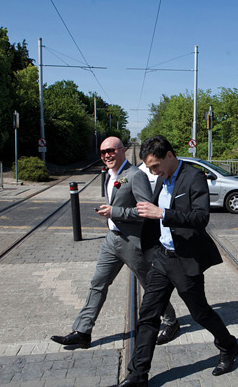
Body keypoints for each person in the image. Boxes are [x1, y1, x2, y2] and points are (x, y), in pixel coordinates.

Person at [117, 135, 238, 387]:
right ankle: (138, 375)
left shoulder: (193, 177)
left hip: (185, 259)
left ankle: (228, 346)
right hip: (163, 257)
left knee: (200, 313)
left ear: (170, 157)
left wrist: (162, 213)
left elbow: (200, 217)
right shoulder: (162, 179)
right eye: (149, 167)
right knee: (148, 315)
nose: (153, 172)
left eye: (155, 166)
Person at [50, 136, 179, 349]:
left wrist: (115, 212)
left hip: (133, 242)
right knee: (98, 284)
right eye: (102, 152)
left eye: (110, 150)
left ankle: (171, 322)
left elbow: (145, 210)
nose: (106, 155)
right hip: (112, 240)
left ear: (121, 150)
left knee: (149, 285)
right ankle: (83, 331)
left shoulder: (135, 175)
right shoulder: (110, 175)